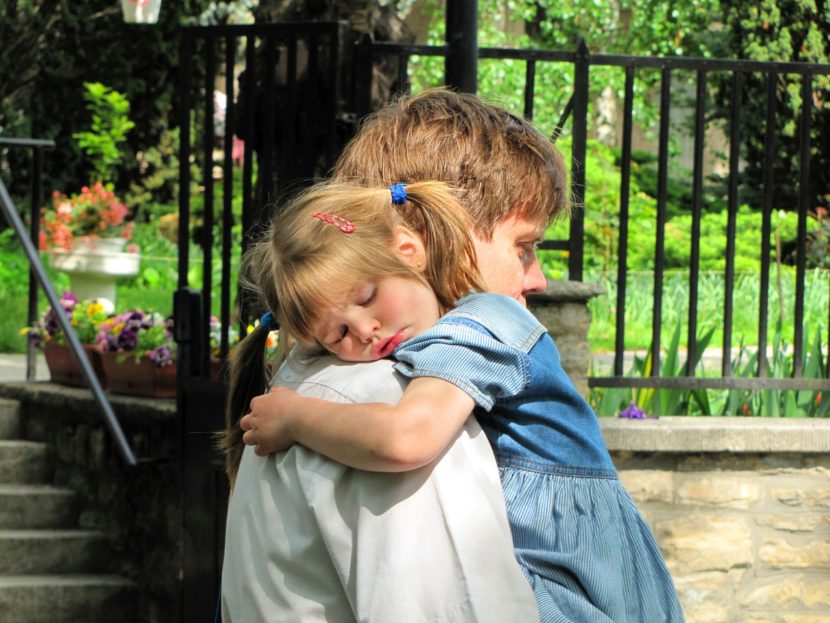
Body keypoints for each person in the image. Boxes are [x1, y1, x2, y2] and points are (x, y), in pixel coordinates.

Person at [239, 181, 686, 623]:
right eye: (338, 334)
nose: (365, 330)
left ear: (407, 252)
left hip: (572, 574)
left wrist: (297, 418)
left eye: (367, 297)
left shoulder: (481, 325)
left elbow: (407, 437)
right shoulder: (422, 342)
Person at [221, 88, 566, 622]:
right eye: (523, 247)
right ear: (419, 241)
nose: (538, 279)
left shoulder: (321, 389)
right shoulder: (384, 401)